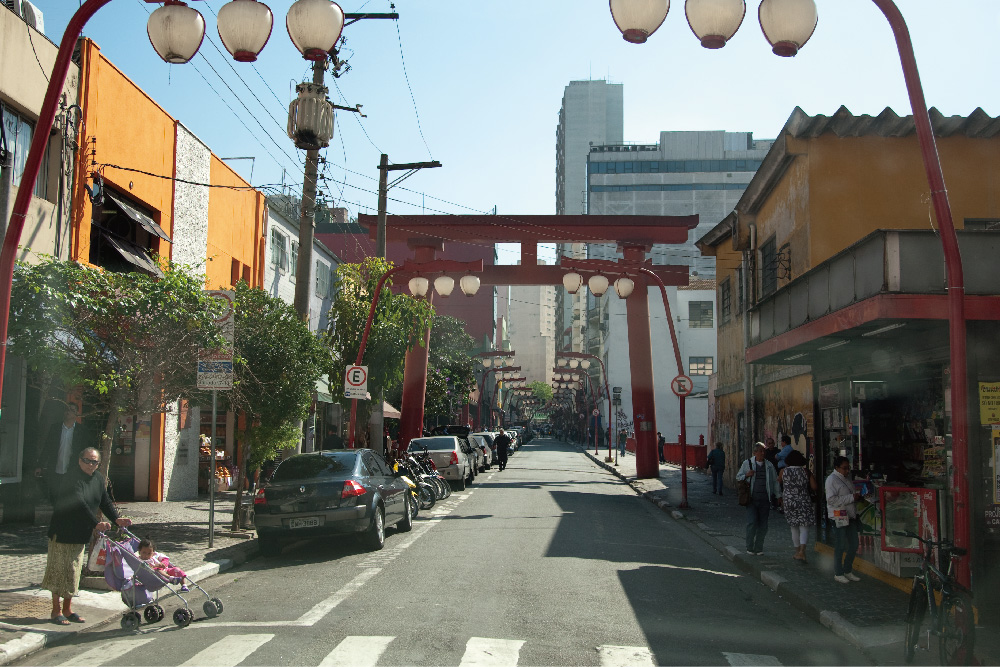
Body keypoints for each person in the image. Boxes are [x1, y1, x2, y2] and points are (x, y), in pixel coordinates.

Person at [41, 447, 131, 625]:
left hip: (80, 533)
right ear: (79, 460)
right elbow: (79, 504)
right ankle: (55, 611)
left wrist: (116, 519)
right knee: (59, 571)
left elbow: (104, 500)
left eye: (94, 462)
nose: (91, 464)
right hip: (63, 531)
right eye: (87, 460)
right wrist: (95, 523)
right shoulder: (71, 478)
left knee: (73, 572)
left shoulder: (97, 478)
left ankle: (67, 609)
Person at [34, 404, 87, 503]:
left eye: (71, 410)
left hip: (72, 469)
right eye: (66, 409)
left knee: (69, 498)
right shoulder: (55, 428)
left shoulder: (81, 430)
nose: (68, 412)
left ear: (77, 413)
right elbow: (47, 448)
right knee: (55, 498)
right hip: (56, 468)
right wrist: (40, 465)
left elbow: (84, 450)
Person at [736, 442, 781, 555]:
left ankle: (759, 547)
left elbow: (775, 482)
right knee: (752, 522)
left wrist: (779, 496)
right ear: (755, 453)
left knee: (763, 524)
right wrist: (747, 475)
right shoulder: (747, 464)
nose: (762, 453)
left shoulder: (769, 465)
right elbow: (738, 477)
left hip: (765, 499)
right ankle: (749, 546)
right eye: (760, 451)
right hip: (751, 499)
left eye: (763, 451)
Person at [826, 455, 862, 583]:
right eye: (844, 468)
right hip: (839, 516)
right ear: (837, 468)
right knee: (840, 545)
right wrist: (851, 498)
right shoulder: (831, 480)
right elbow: (831, 499)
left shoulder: (847, 478)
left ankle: (848, 570)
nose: (847, 471)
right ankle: (838, 572)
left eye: (848, 468)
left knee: (854, 544)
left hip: (850, 516)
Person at [779, 449, 816, 562]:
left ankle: (797, 551)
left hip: (789, 501)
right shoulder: (806, 472)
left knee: (793, 527)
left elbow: (779, 481)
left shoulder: (783, 471)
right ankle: (802, 551)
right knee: (804, 527)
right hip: (803, 500)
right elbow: (814, 487)